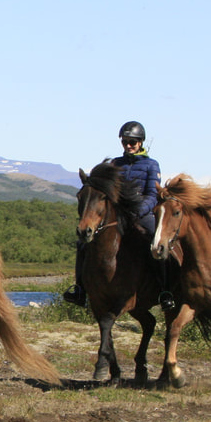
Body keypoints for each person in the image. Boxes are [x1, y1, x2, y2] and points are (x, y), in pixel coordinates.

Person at [64, 120, 176, 311]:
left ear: (141, 142)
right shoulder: (115, 164)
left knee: (155, 242)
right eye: (125, 142)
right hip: (118, 215)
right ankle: (80, 289)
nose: (129, 145)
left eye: (133, 142)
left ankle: (165, 291)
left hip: (143, 213)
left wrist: (138, 211)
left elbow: (151, 194)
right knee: (82, 244)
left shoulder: (151, 165)